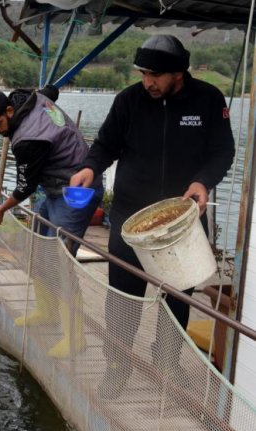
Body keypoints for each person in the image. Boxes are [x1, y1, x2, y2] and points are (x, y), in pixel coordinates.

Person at [69, 34, 236, 399]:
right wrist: (89, 168)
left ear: (178, 73)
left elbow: (223, 151)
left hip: (183, 222)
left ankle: (168, 362)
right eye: (144, 73)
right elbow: (105, 146)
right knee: (122, 299)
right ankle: (117, 367)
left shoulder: (208, 99)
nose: (148, 82)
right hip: (132, 220)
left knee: (178, 297)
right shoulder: (128, 101)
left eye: (156, 75)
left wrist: (203, 181)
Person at [0, 85, 103, 359]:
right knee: (36, 248)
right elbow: (51, 90)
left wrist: (0, 210)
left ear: (10, 110)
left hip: (76, 192)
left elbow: (24, 189)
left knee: (60, 262)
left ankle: (75, 338)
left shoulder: (28, 140)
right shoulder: (28, 97)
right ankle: (47, 312)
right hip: (55, 188)